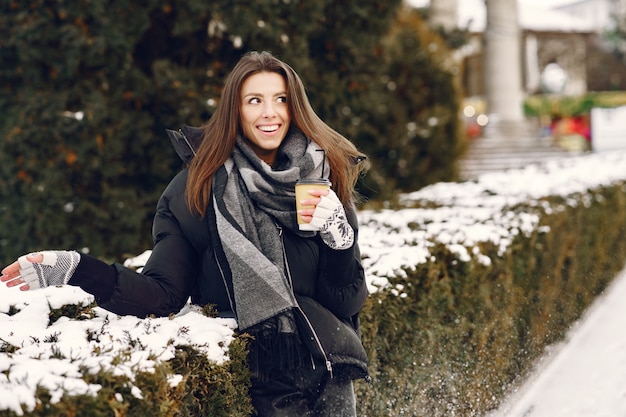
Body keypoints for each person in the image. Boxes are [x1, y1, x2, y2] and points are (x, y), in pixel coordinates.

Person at [1, 51, 369, 417]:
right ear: (235, 110)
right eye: (254, 100)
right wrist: (76, 268)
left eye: (281, 100)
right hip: (261, 382)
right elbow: (162, 295)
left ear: (295, 108)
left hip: (330, 371)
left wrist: (340, 240)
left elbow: (344, 303)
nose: (269, 112)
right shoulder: (194, 192)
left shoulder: (322, 178)